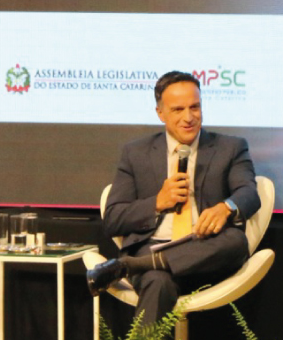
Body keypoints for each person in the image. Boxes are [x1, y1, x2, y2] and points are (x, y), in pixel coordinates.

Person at [86, 70, 260, 325]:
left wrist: (225, 207)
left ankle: (131, 266)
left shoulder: (230, 147)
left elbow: (249, 193)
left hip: (206, 251)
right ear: (160, 113)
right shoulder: (136, 153)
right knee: (157, 282)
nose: (189, 117)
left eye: (195, 107)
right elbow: (113, 218)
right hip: (154, 244)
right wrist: (157, 202)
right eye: (178, 110)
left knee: (235, 241)